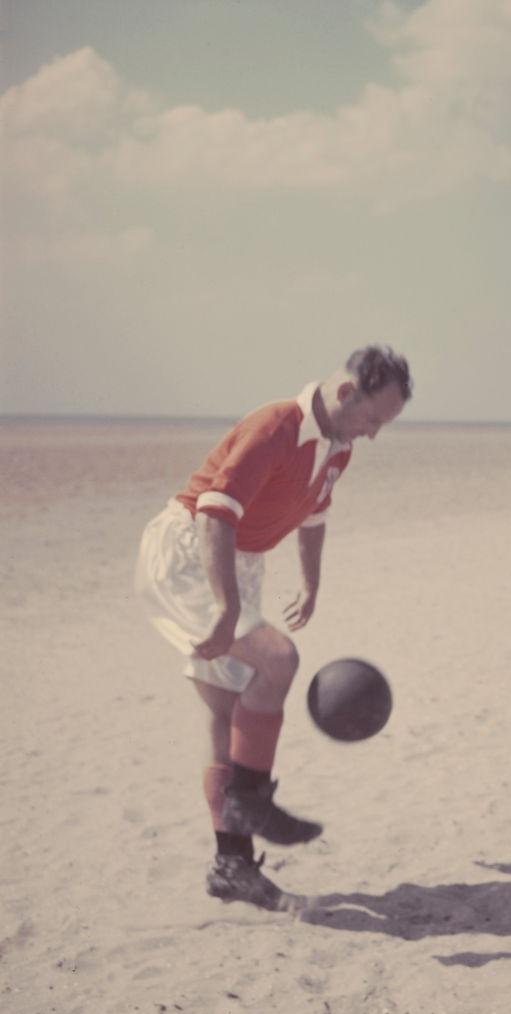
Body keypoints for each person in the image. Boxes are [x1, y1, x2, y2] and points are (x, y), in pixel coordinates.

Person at [136, 345, 412, 910]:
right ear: (344, 392)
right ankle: (253, 799)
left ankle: (230, 864)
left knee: (229, 711)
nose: (374, 434)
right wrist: (227, 607)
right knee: (279, 660)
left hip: (239, 561)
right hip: (190, 552)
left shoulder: (337, 449)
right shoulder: (275, 425)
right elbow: (215, 511)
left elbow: (313, 516)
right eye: (372, 419)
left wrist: (311, 583)